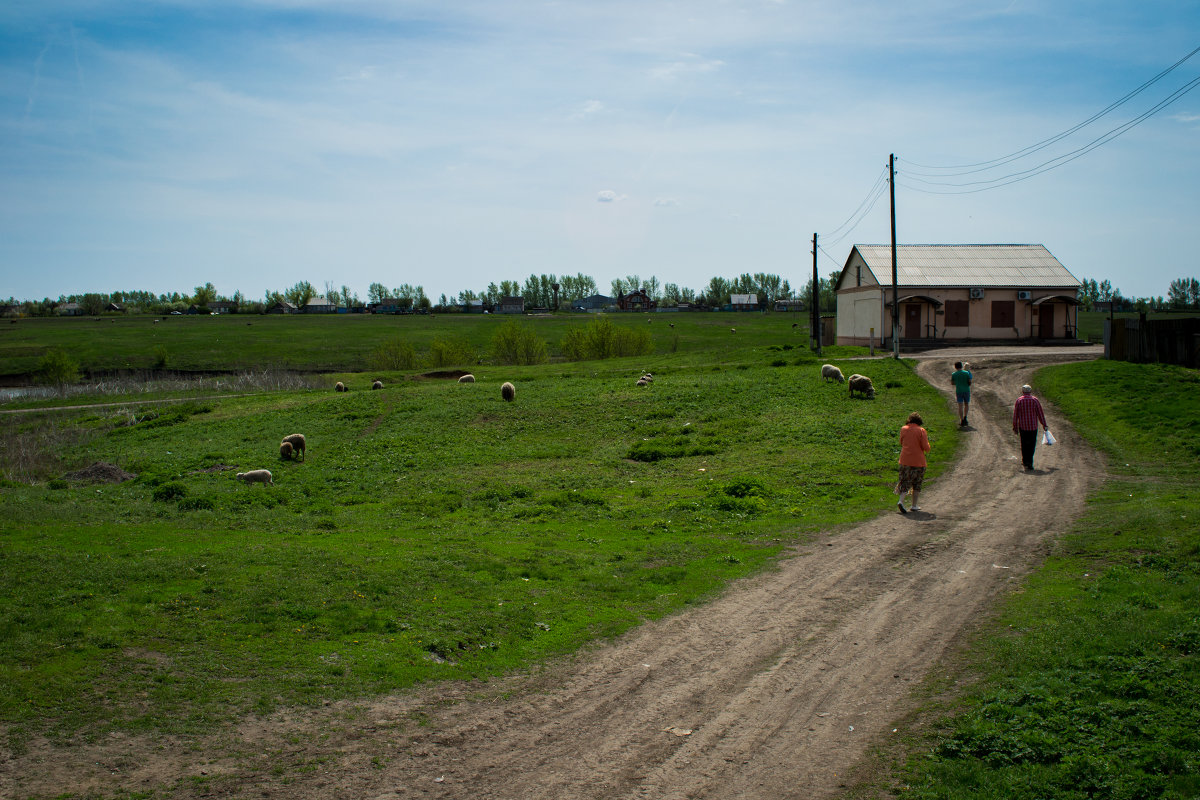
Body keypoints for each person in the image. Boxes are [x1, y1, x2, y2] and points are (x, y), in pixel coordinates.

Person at [895, 411, 931, 514]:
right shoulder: (921, 431)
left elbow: (901, 442)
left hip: (904, 460)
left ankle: (901, 501)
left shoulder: (903, 429)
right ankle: (914, 505)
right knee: (917, 483)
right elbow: (926, 447)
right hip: (918, 461)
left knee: (904, 481)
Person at [1012, 384, 1049, 471]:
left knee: (1024, 444)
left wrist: (1015, 426)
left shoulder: (1019, 400)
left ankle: (1025, 461)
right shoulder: (1035, 400)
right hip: (1033, 427)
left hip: (1023, 427)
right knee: (1032, 445)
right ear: (1030, 391)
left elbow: (1015, 415)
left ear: (1022, 391)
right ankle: (1030, 462)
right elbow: (1040, 414)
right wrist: (1044, 424)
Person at [950, 361, 973, 426]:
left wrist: (957, 383)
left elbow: (952, 383)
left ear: (955, 367)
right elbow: (969, 382)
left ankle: (961, 420)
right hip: (966, 390)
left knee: (960, 406)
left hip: (959, 391)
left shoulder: (954, 374)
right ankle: (965, 417)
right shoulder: (966, 373)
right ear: (961, 366)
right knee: (966, 404)